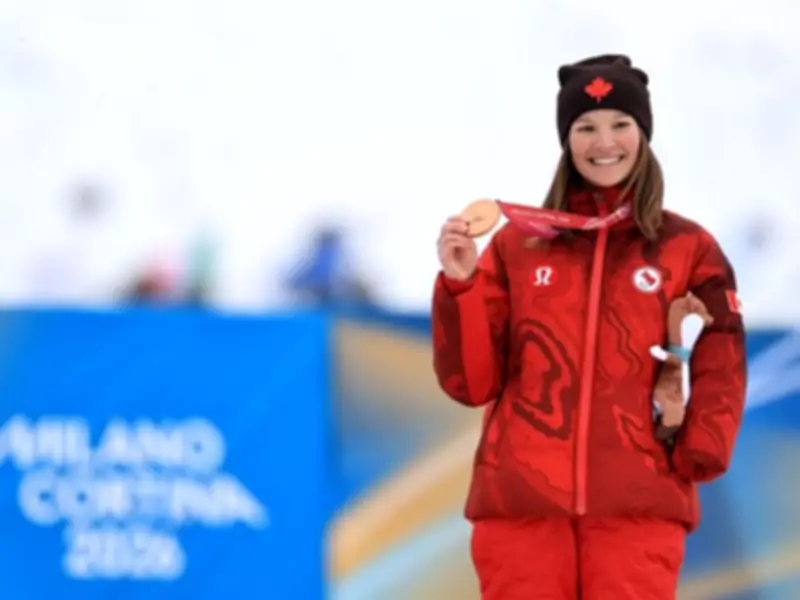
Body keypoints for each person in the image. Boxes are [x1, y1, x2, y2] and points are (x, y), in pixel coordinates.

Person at [431, 54, 746, 600]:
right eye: (586, 127)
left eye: (621, 123)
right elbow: (471, 383)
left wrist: (699, 448)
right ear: (567, 141)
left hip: (639, 509)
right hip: (521, 510)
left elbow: (722, 353)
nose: (605, 142)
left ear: (643, 134)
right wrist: (461, 285)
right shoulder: (518, 245)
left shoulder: (686, 248)